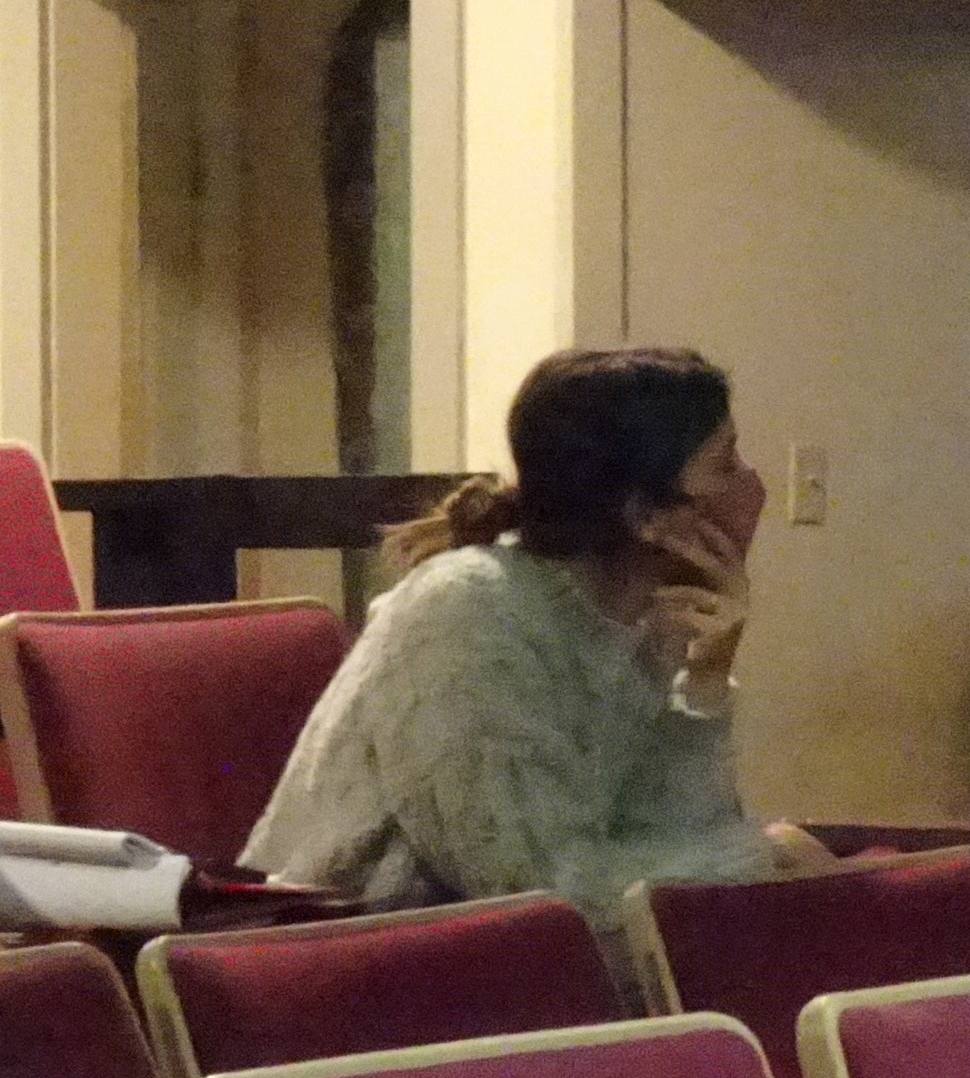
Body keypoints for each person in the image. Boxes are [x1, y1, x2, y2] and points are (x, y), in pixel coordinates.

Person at [248, 343, 786, 955]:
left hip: (524, 969)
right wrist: (761, 856)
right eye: (727, 463)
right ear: (645, 514)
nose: (752, 486)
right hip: (369, 967)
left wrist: (705, 683)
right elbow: (539, 887)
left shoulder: (650, 616)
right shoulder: (467, 610)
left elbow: (676, 840)